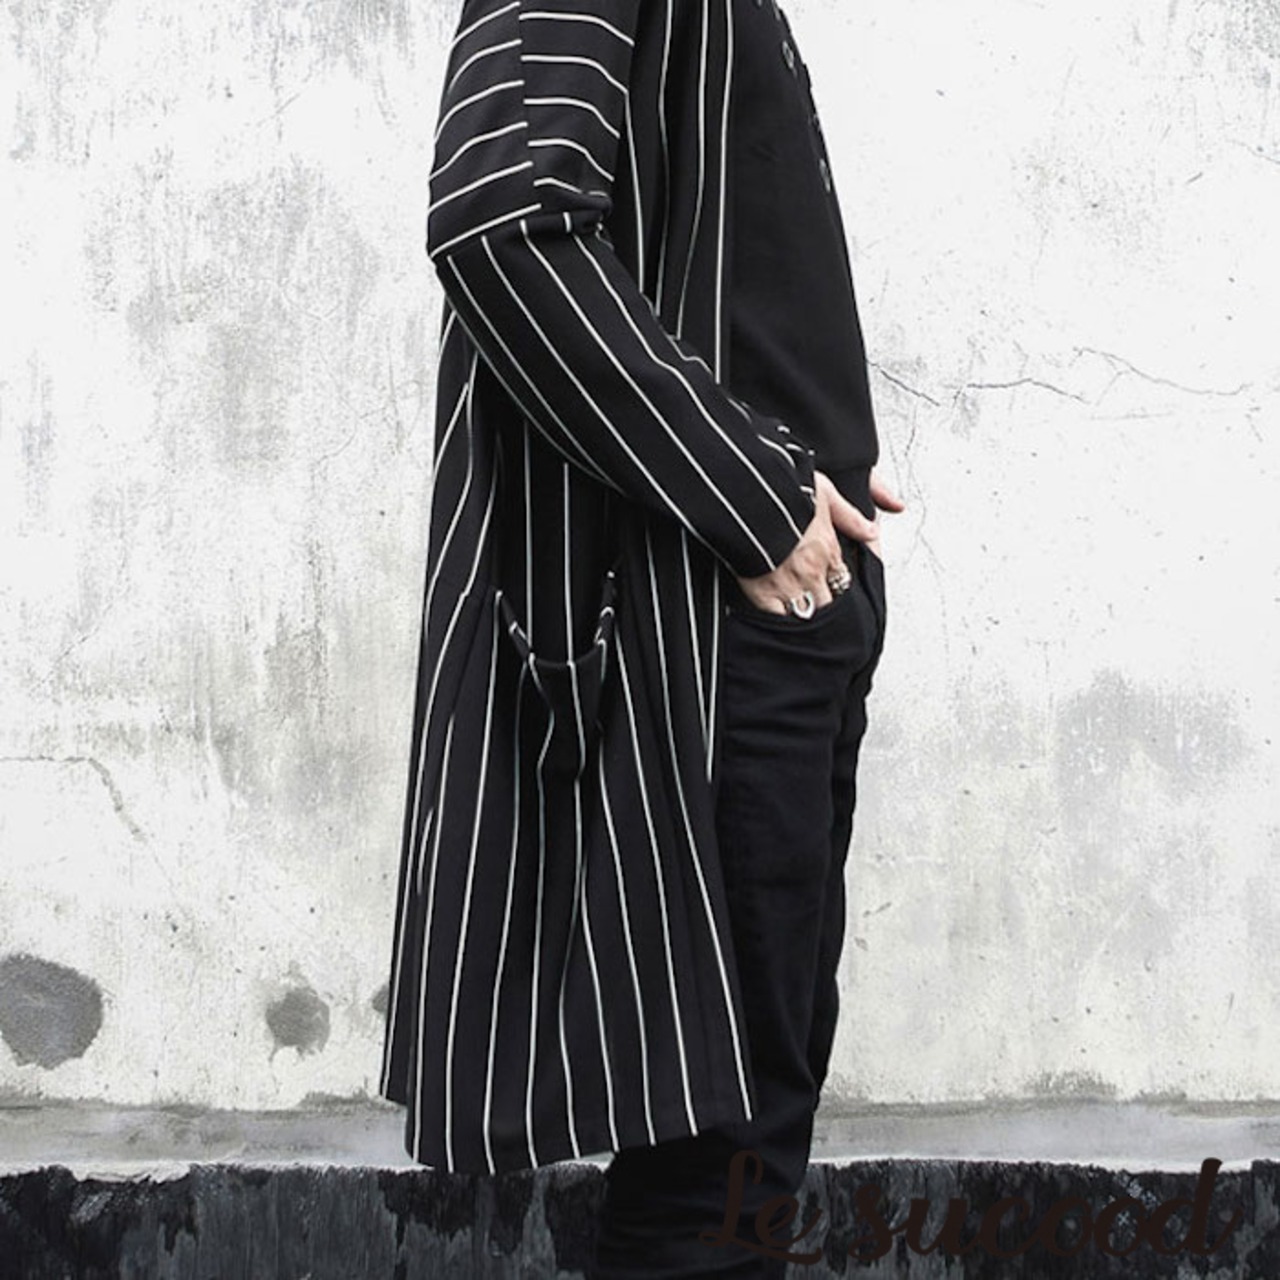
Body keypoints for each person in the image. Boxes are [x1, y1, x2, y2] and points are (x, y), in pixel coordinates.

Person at [378, 0, 904, 1274]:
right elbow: (502, 225)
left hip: (769, 622)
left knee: (744, 1151)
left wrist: (815, 455)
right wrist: (756, 491)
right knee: (710, 1173)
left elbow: (717, 247)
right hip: (705, 635)